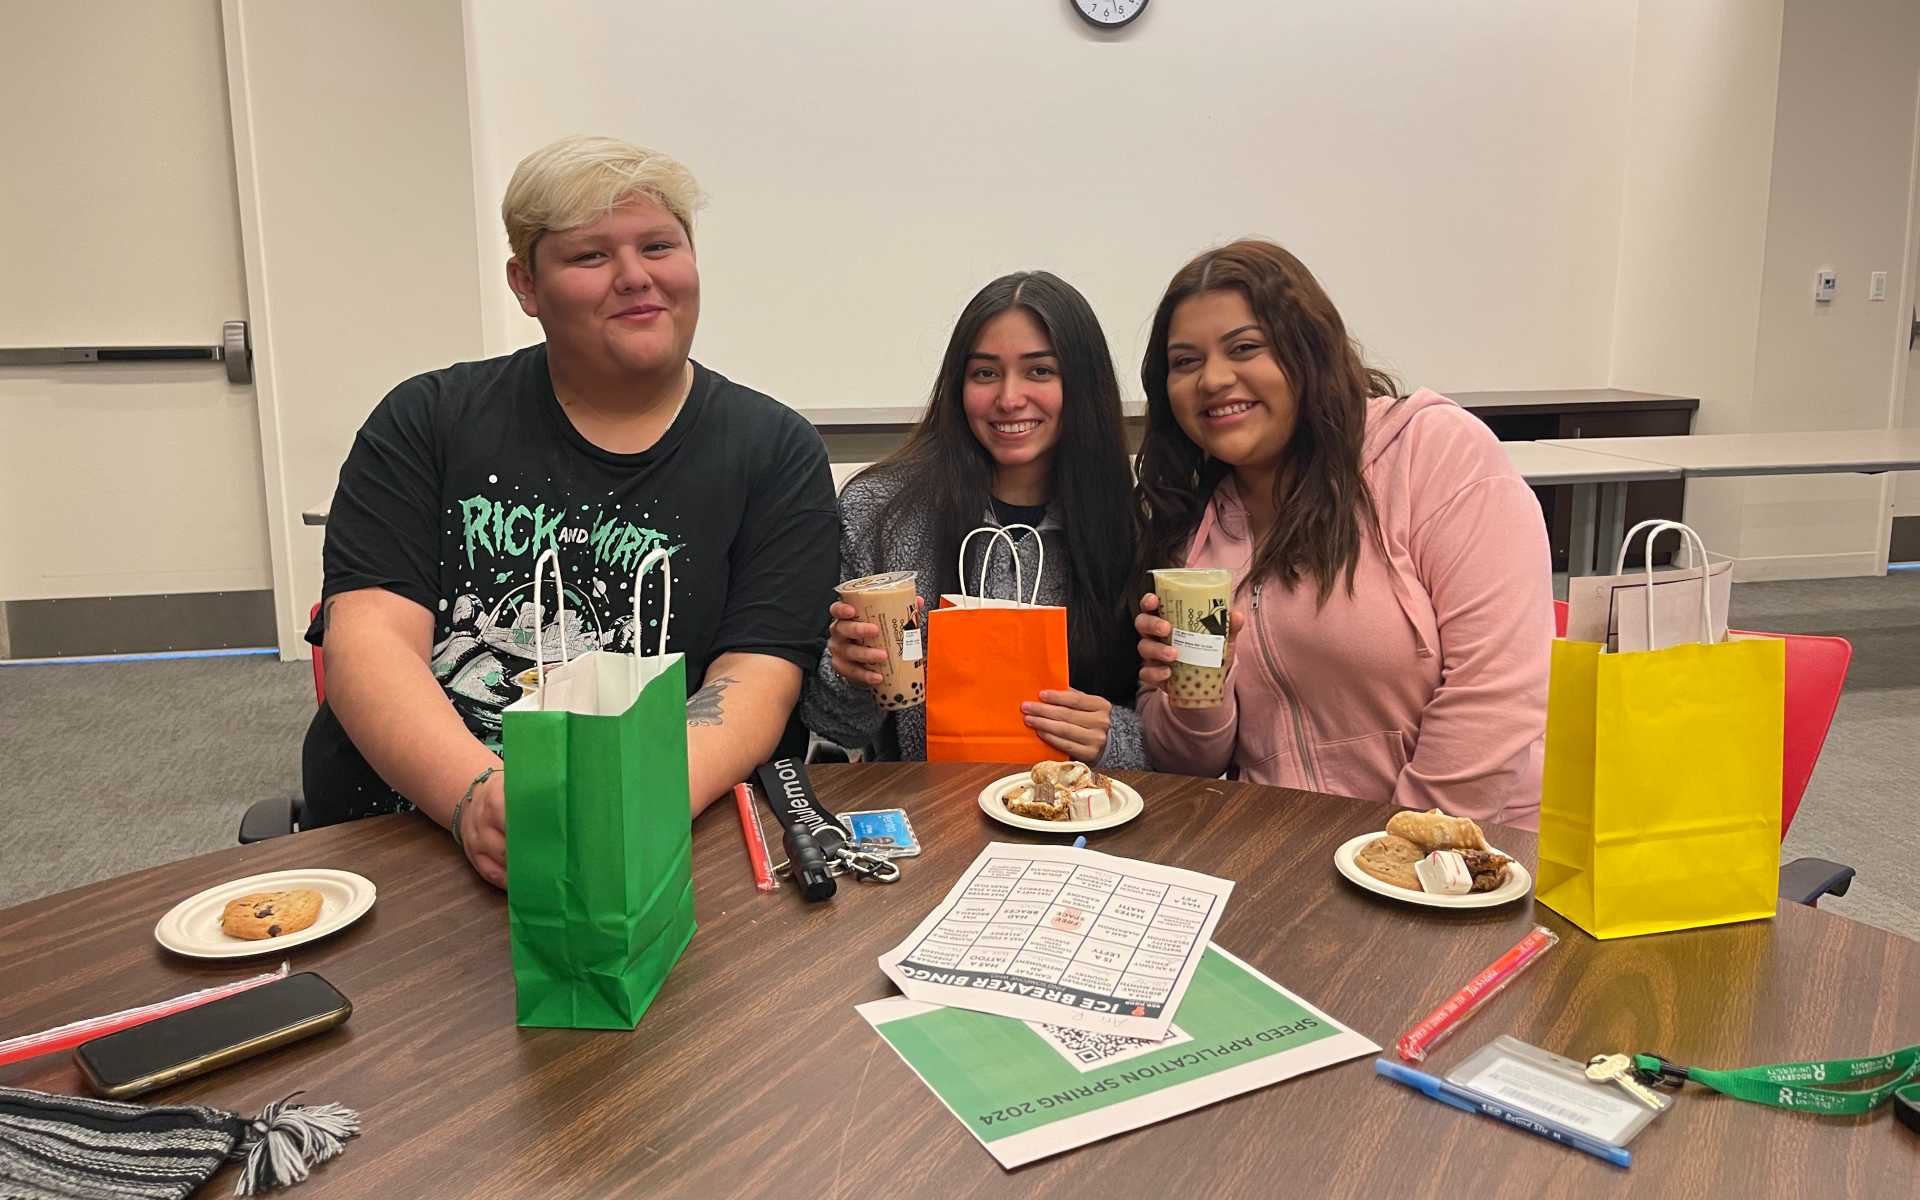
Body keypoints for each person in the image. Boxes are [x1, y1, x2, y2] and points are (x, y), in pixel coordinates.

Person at [304, 135, 839, 886]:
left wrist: (632, 806)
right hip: (402, 832)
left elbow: (756, 677)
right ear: (527, 285)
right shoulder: (426, 420)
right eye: (590, 257)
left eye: (659, 245)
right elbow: (370, 642)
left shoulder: (774, 449)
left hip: (650, 837)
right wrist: (476, 800)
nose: (635, 277)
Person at [1132, 240, 1550, 827]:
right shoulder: (1191, 534)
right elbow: (1192, 763)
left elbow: (1497, 695)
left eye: (1245, 347)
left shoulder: (1430, 454)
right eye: (1185, 362)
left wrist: (1403, 851)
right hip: (1288, 860)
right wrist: (1193, 693)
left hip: (1468, 860)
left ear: (1307, 349)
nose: (1213, 379)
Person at [803, 271, 1147, 768]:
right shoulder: (880, 511)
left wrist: (1113, 737)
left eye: (1039, 372)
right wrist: (851, 675)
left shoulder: (1129, 525)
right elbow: (834, 727)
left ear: (1083, 384)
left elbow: (1176, 743)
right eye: (985, 373)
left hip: (1076, 822)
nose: (1009, 398)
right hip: (928, 820)